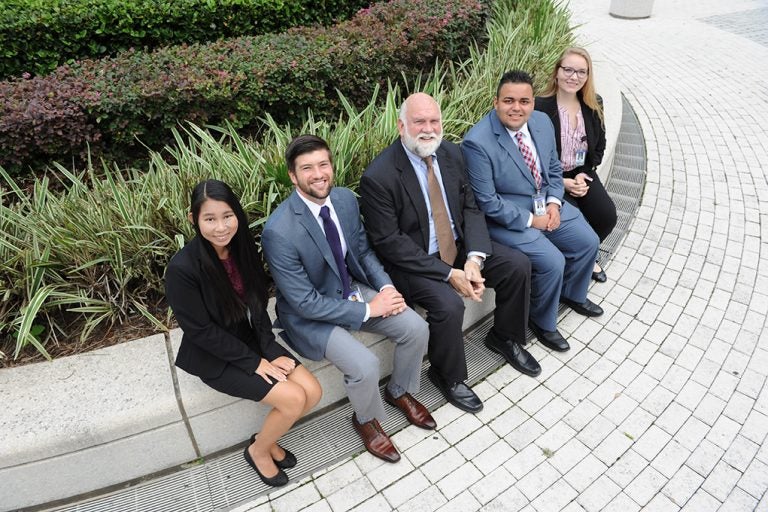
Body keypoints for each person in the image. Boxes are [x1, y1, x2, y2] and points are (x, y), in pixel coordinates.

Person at [359, 92, 539, 403]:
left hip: (456, 248)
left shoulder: (452, 154)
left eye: (434, 121)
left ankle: (505, 337)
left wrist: (474, 259)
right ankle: (447, 375)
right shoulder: (379, 176)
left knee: (516, 265)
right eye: (419, 122)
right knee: (449, 305)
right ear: (401, 126)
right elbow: (391, 243)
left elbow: (471, 208)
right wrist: (448, 273)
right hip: (414, 262)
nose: (428, 129)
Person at [262, 135, 432, 464]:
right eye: (307, 168)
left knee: (416, 328)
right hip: (310, 316)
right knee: (364, 365)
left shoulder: (344, 199)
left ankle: (398, 391)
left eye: (323, 164)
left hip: (350, 287)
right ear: (293, 176)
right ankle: (365, 419)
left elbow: (364, 251)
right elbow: (304, 303)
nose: (318, 174)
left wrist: (384, 287)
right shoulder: (279, 231)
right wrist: (368, 308)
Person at [165, 179, 322, 488]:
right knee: (292, 399)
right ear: (193, 219)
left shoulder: (243, 247)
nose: (221, 227)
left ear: (237, 214)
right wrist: (254, 363)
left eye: (227, 216)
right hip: (215, 356)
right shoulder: (182, 269)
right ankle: (259, 450)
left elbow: (258, 303)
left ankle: (267, 437)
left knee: (312, 392)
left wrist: (269, 348)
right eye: (209, 219)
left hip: (252, 339)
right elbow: (200, 331)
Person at [461, 70, 604, 353]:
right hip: (508, 216)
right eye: (509, 101)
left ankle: (572, 294)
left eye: (524, 101)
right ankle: (542, 321)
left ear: (532, 103)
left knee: (588, 241)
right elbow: (488, 201)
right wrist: (533, 220)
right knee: (551, 261)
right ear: (496, 102)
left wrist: (554, 202)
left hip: (545, 202)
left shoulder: (540, 122)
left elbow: (553, 167)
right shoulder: (477, 142)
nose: (517, 108)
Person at [535, 47, 617, 282]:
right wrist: (563, 183)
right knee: (576, 222)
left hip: (581, 173)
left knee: (606, 216)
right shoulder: (540, 107)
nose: (574, 77)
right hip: (551, 179)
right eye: (568, 70)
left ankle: (585, 257)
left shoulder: (594, 104)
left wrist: (583, 176)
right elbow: (530, 157)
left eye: (581, 72)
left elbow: (599, 148)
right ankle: (581, 260)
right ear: (557, 72)